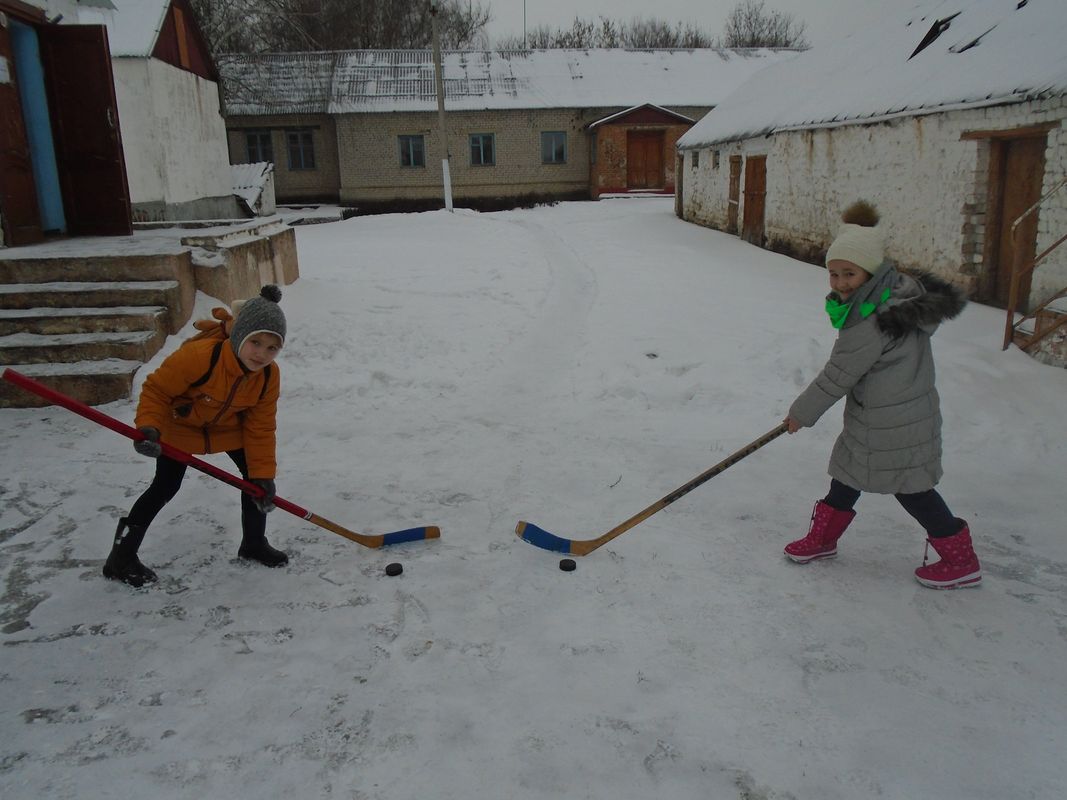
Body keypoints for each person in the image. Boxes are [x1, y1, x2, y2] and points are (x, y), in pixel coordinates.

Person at [782, 201, 981, 589]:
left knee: (913, 490)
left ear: (870, 272)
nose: (840, 282)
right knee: (847, 474)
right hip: (886, 415)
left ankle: (962, 561)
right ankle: (822, 541)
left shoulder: (872, 318)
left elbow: (838, 375)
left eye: (850, 273)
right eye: (834, 273)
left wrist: (800, 414)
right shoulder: (891, 297)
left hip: (892, 423)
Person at [103, 285, 289, 587]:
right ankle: (120, 558)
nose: (262, 354)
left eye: (272, 348)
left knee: (254, 483)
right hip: (180, 424)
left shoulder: (268, 376)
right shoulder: (200, 357)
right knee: (165, 486)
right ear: (240, 335)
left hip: (226, 427)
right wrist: (148, 428)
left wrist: (263, 475)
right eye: (256, 342)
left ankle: (254, 544)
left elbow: (261, 427)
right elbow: (157, 391)